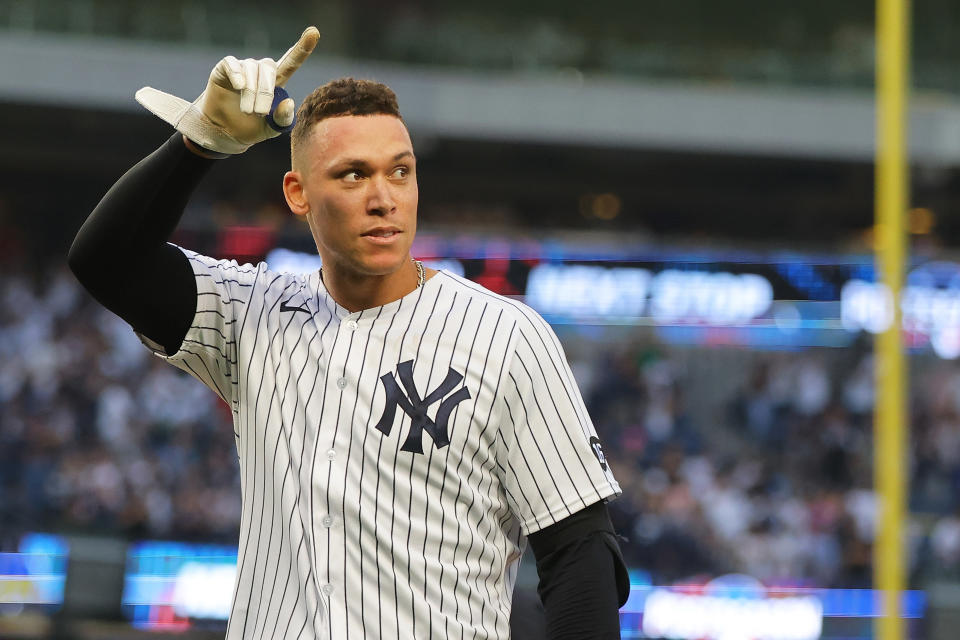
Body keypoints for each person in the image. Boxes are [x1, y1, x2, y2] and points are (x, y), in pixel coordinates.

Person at [69, 26, 628, 639]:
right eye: (354, 175)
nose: (384, 198)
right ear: (298, 193)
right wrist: (200, 143)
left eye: (401, 172)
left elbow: (580, 553)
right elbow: (106, 261)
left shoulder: (506, 334)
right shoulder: (251, 312)